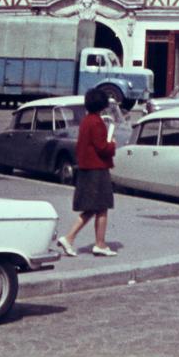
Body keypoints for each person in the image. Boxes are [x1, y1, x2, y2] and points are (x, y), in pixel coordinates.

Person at [57, 89, 118, 258]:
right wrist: (112, 144)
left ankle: (72, 238)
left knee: (93, 208)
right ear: (102, 105)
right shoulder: (97, 122)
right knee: (102, 207)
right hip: (97, 170)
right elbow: (102, 148)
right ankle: (97, 244)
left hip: (86, 169)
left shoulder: (86, 121)